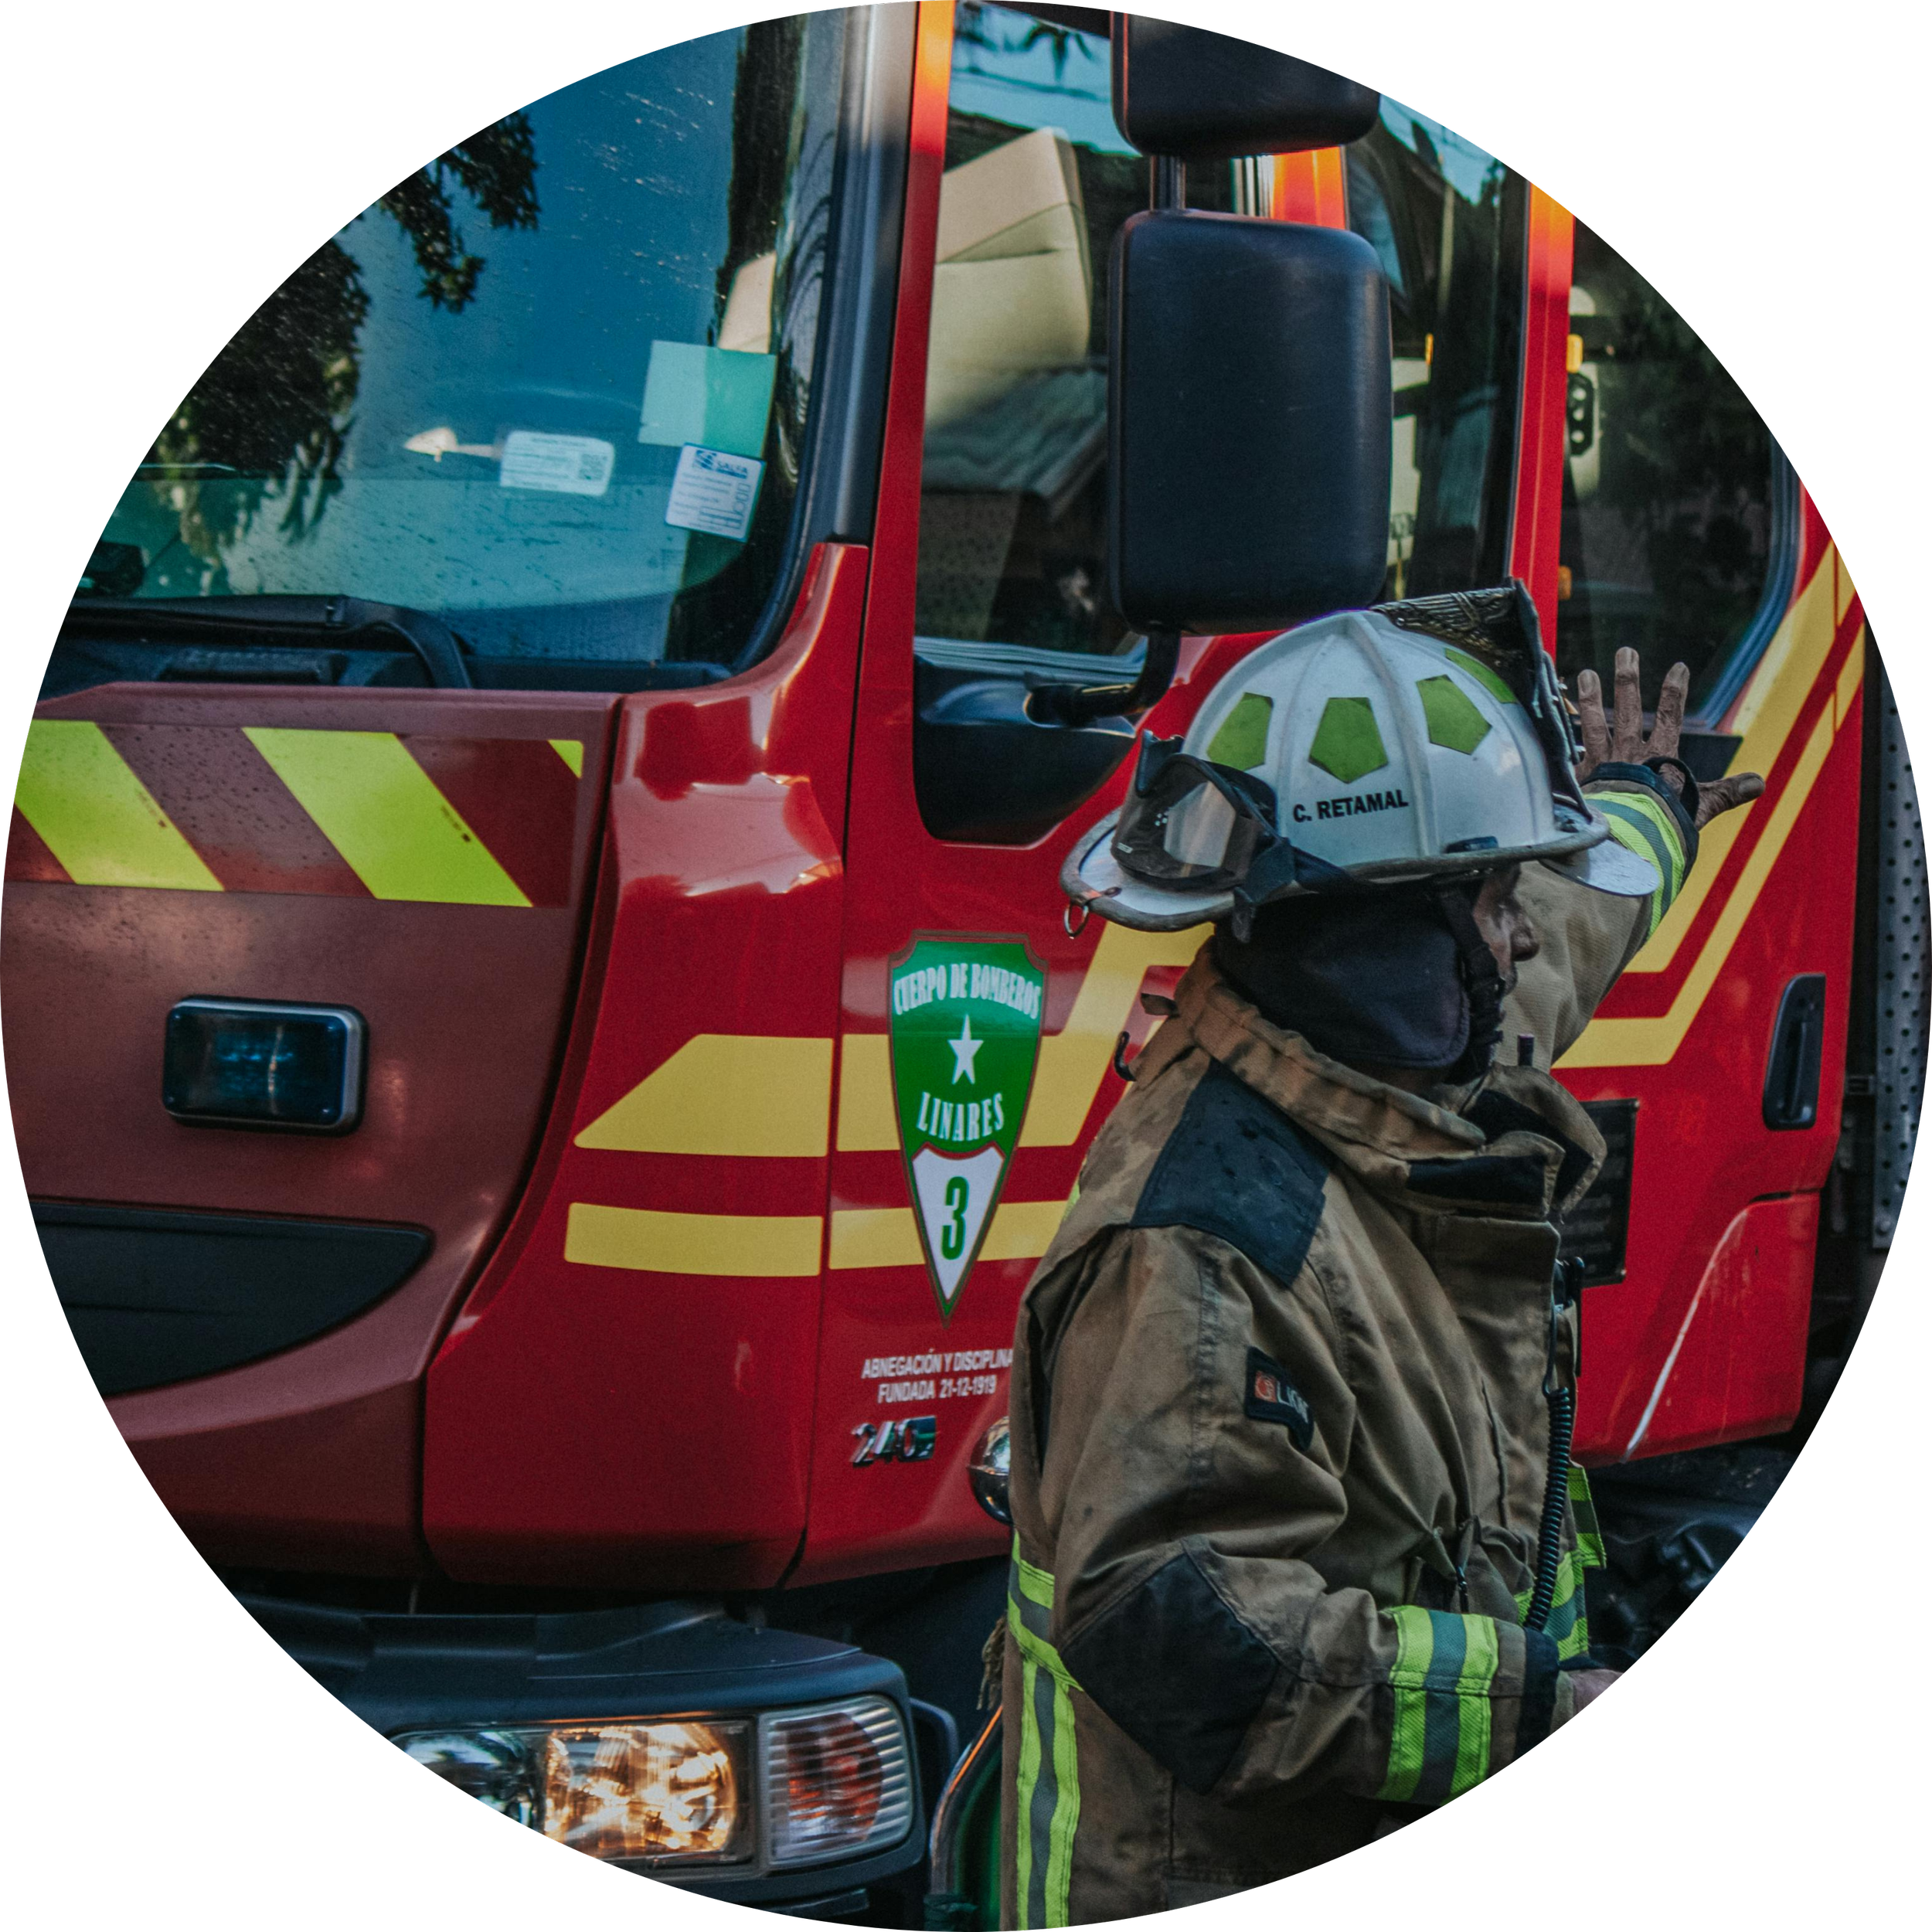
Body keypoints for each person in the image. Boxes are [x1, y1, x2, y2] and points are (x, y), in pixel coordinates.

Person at [996, 585, 1764, 1927]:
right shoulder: (1206, 1246)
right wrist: (1539, 1701)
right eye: (1486, 896)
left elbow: (1559, 948)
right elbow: (1184, 1634)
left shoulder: (1380, 1049)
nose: (1519, 929)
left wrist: (1649, 808)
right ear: (1382, 929)